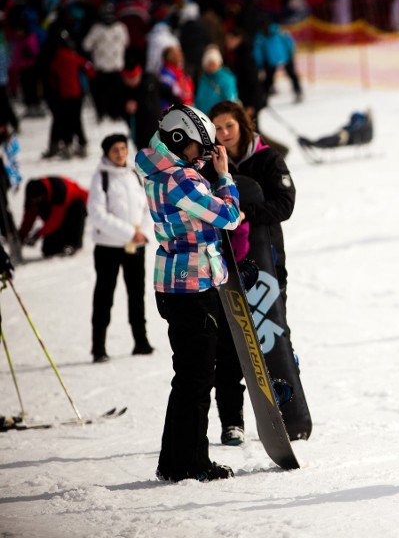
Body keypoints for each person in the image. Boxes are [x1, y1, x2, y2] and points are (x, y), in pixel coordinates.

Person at [135, 104, 242, 482]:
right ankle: (191, 462)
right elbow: (229, 216)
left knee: (189, 378)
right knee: (196, 380)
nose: (202, 154)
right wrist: (225, 177)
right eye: (198, 146)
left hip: (174, 283)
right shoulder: (182, 181)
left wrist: (201, 167)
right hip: (192, 285)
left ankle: (175, 461)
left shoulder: (159, 171)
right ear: (178, 139)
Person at [206, 100, 296, 445]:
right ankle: (232, 421)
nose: (224, 134)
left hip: (267, 263)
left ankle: (287, 408)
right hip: (224, 266)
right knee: (228, 346)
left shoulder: (267, 158)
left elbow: (285, 204)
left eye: (229, 126)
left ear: (243, 124)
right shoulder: (209, 164)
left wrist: (246, 213)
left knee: (271, 336)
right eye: (217, 128)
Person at [87, 134, 154, 364]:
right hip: (108, 247)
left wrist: (143, 232)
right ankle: (98, 347)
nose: (120, 153)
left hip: (135, 246)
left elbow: (146, 207)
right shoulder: (101, 178)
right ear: (107, 153)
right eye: (115, 149)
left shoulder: (134, 174)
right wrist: (129, 232)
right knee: (104, 296)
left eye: (124, 148)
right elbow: (97, 214)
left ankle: (141, 341)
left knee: (137, 294)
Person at [18, 176, 89, 258]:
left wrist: (38, 234)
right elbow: (29, 216)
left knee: (77, 206)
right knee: (49, 250)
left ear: (43, 195)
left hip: (73, 209)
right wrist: (22, 235)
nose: (35, 201)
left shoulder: (59, 189)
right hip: (56, 215)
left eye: (38, 199)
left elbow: (56, 220)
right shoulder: (33, 196)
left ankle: (73, 244)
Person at [82, 4, 130, 121]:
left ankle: (113, 114)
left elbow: (126, 42)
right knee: (103, 94)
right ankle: (103, 113)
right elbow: (86, 45)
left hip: (114, 67)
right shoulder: (97, 29)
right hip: (104, 68)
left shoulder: (119, 28)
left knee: (114, 94)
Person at [119, 64, 161, 152]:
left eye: (134, 78)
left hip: (155, 126)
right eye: (128, 79)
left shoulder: (149, 81)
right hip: (139, 132)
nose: (131, 82)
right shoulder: (122, 88)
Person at [194, 46, 238, 116]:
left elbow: (231, 100)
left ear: (219, 63)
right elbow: (199, 100)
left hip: (220, 117)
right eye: (209, 63)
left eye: (213, 63)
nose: (211, 66)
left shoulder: (227, 78)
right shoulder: (203, 79)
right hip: (203, 117)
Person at [297, 110, 373, 148]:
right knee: (328, 138)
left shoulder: (361, 123)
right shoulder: (361, 123)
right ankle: (313, 142)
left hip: (347, 138)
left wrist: (346, 132)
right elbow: (349, 127)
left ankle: (313, 143)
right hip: (344, 136)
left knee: (331, 140)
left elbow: (354, 130)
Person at [0, 112, 22, 242]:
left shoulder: (9, 140)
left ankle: (11, 233)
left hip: (3, 175)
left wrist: (15, 179)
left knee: (3, 206)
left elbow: (14, 161)